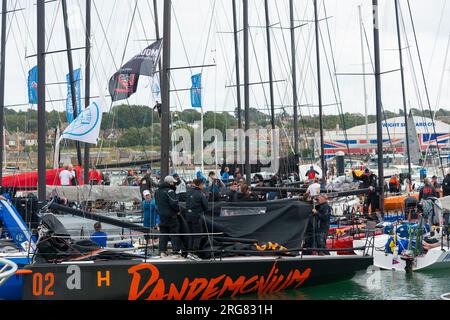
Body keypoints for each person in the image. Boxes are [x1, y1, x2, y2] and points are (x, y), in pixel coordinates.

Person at [154, 176, 182, 257]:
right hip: (171, 216)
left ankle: (162, 251)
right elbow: (174, 203)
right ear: (170, 183)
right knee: (174, 233)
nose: (174, 184)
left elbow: (156, 203)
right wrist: (178, 211)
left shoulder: (157, 191)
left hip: (162, 216)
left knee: (163, 233)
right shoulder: (170, 191)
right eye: (173, 182)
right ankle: (175, 252)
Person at [185, 178, 208, 253]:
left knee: (190, 233)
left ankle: (189, 250)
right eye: (203, 184)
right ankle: (195, 251)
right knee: (197, 234)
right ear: (200, 185)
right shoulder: (201, 194)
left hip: (188, 216)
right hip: (196, 216)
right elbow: (205, 206)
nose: (204, 186)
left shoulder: (188, 192)